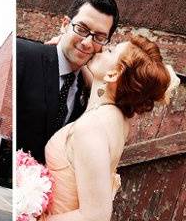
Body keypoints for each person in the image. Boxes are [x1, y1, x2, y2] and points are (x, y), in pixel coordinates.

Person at [40, 35, 178, 221]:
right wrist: (64, 50)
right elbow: (100, 88)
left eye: (111, 51)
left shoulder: (91, 128)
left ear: (113, 74)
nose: (103, 49)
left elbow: (95, 216)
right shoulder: (118, 118)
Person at [17, 0, 120, 163]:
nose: (87, 43)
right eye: (81, 29)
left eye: (99, 37)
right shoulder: (23, 55)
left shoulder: (90, 91)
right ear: (65, 24)